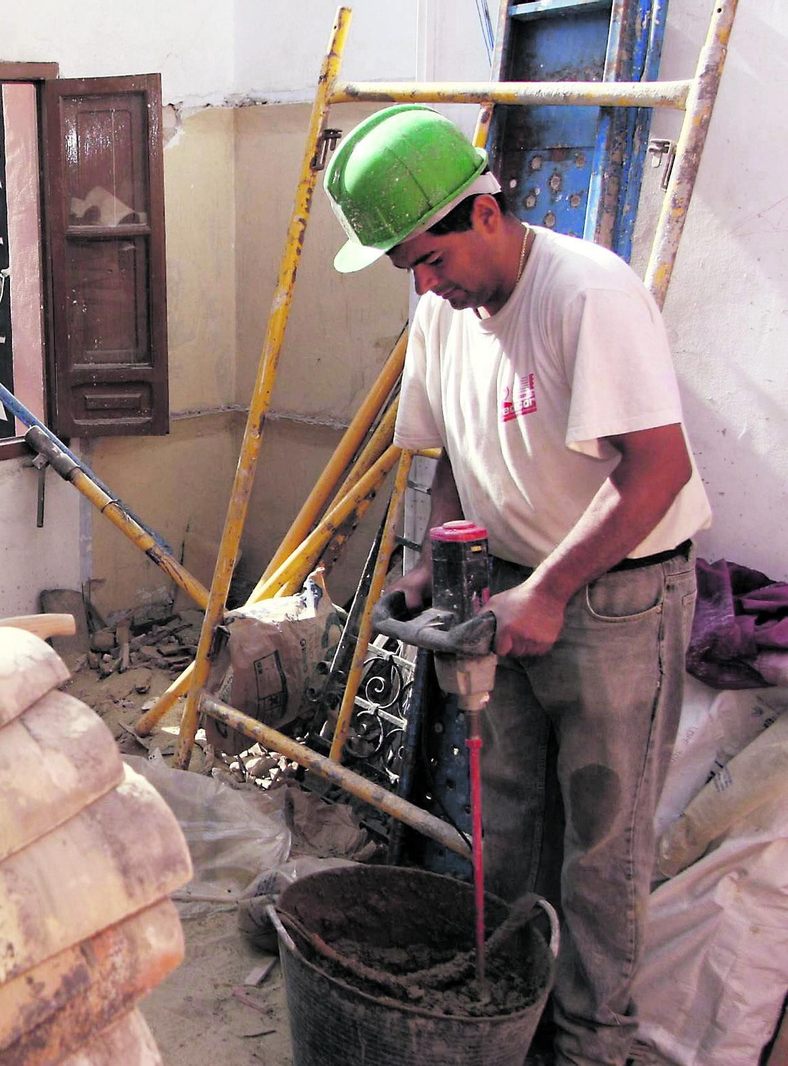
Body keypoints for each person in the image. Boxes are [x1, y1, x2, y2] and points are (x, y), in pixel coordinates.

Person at [323, 105, 711, 1065]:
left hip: (615, 599)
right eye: (407, 267)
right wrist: (433, 556)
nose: (424, 282)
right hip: (505, 591)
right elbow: (452, 449)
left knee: (602, 847)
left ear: (482, 212)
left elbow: (655, 471)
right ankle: (516, 1020)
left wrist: (548, 590)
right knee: (505, 826)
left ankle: (591, 1045)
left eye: (431, 258)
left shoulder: (588, 294)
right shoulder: (441, 312)